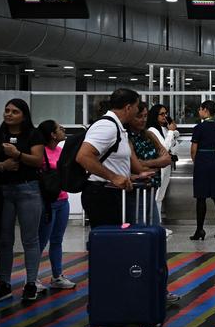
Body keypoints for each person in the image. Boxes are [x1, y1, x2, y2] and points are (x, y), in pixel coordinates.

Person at [0, 99, 46, 305]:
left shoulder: (33, 134)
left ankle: (31, 283)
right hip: (3, 191)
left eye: (15, 111)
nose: (9, 114)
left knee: (30, 238)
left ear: (24, 115)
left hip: (28, 188)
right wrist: (1, 165)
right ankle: (4, 284)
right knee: (4, 240)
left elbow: (38, 161)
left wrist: (18, 155)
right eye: (7, 110)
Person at [76, 88, 140, 230]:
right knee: (107, 243)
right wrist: (114, 177)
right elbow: (83, 156)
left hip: (111, 193)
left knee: (113, 242)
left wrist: (127, 176)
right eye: (137, 107)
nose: (138, 111)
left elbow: (111, 160)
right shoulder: (107, 126)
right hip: (102, 194)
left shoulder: (117, 126)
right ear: (128, 107)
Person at [34, 120, 75, 291]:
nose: (63, 129)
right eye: (59, 128)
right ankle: (32, 278)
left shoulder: (60, 151)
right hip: (47, 202)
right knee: (41, 241)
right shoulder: (40, 152)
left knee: (57, 240)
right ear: (52, 134)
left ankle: (57, 276)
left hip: (62, 200)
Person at [128, 103, 173, 226]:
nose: (143, 119)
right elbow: (136, 167)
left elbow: (167, 159)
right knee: (139, 224)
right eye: (139, 116)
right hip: (135, 189)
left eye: (145, 116)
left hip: (151, 186)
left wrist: (145, 163)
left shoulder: (149, 134)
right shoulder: (127, 137)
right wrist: (157, 164)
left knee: (153, 225)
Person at [190, 100, 215, 241]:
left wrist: (198, 162)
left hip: (202, 161)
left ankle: (200, 230)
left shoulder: (198, 128)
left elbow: (193, 150)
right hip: (214, 160)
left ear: (205, 110)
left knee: (201, 197)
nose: (199, 111)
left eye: (200, 109)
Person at [147, 104, 179, 236]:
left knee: (160, 197)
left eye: (166, 113)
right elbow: (163, 149)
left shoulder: (163, 129)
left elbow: (173, 143)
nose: (165, 116)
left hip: (166, 165)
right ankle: (154, 224)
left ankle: (158, 225)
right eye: (162, 114)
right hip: (158, 165)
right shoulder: (152, 130)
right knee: (156, 196)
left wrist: (172, 131)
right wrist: (171, 132)